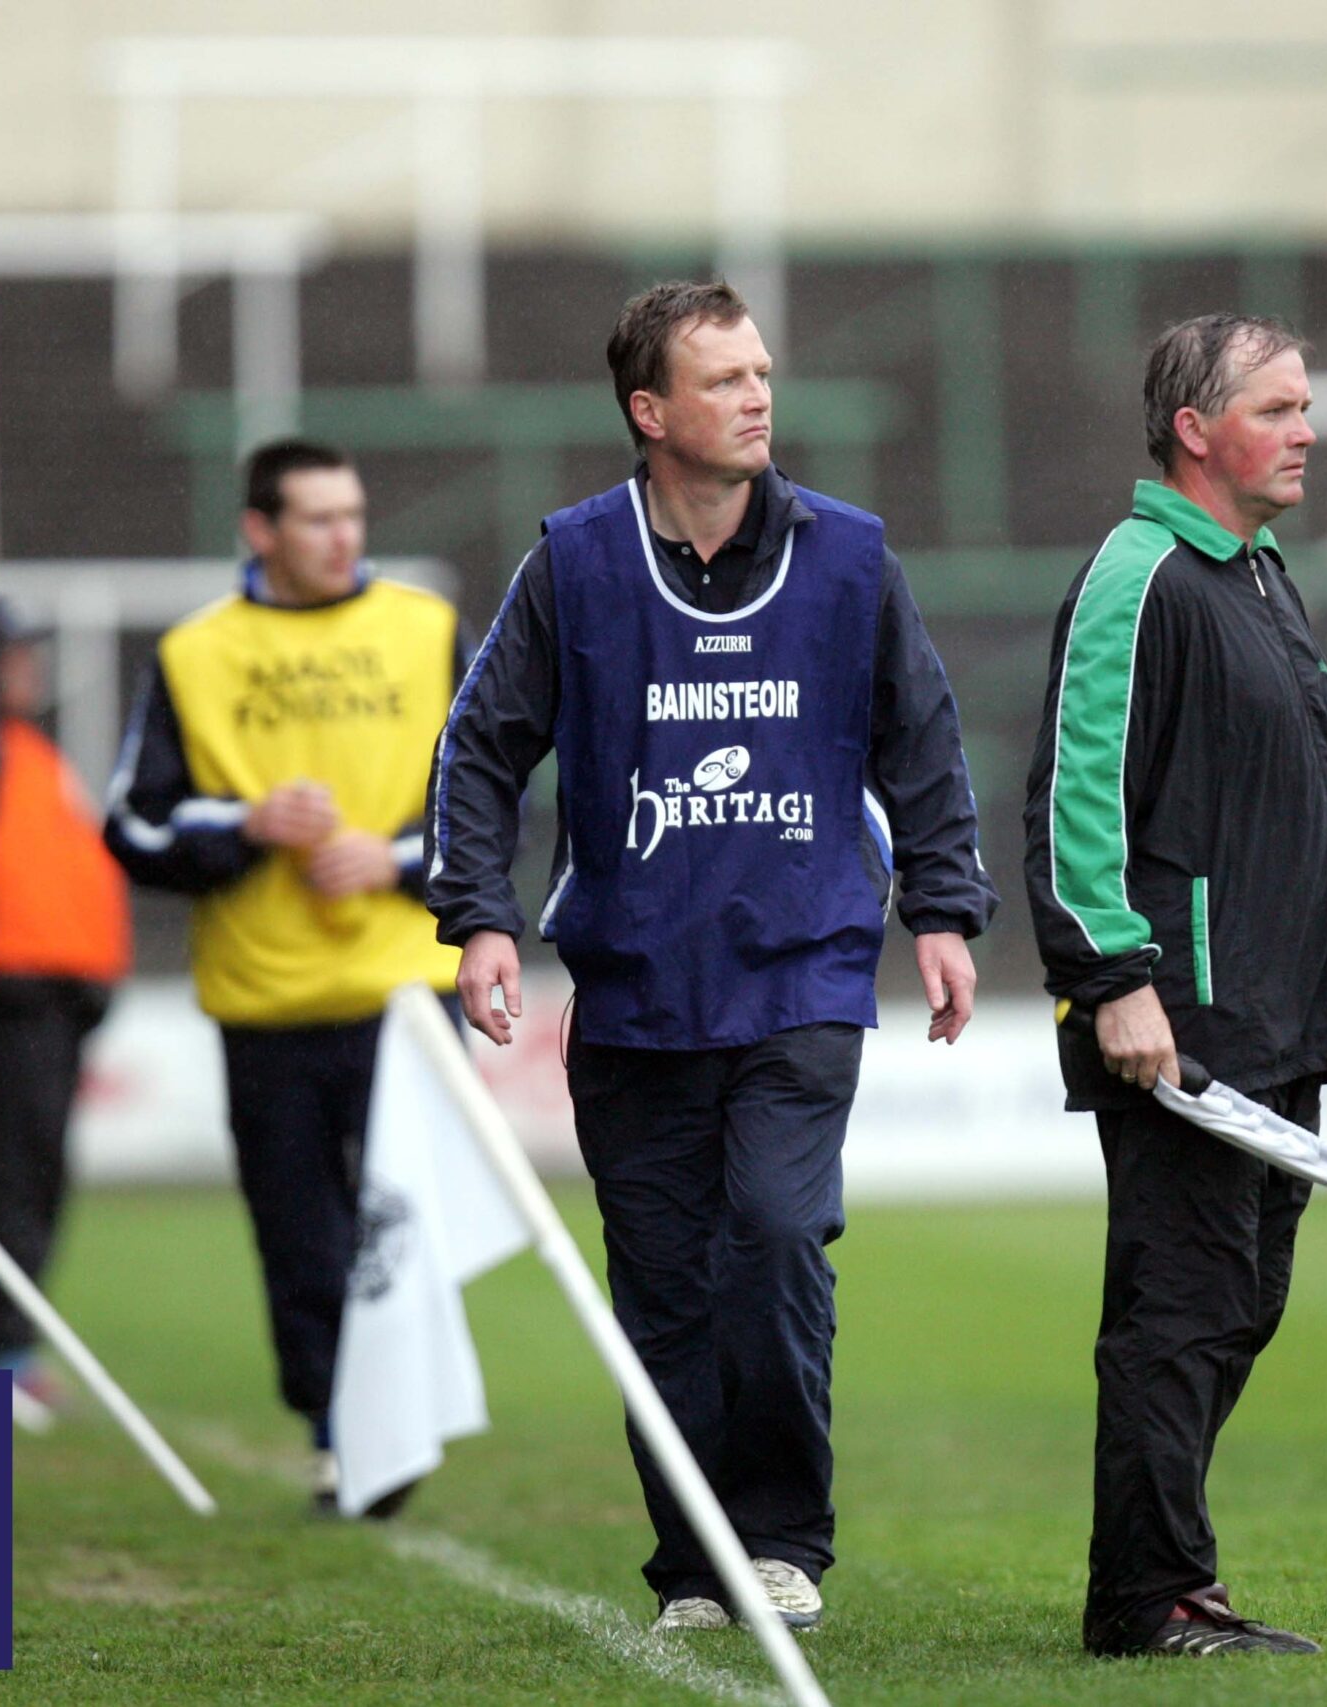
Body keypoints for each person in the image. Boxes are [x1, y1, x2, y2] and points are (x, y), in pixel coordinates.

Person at [427, 280, 997, 1632]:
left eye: (763, 373)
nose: (758, 397)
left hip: (802, 973)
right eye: (725, 378)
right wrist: (483, 913)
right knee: (667, 1289)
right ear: (650, 410)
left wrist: (943, 905)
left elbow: (922, 734)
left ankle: (784, 1537)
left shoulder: (850, 557)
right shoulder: (573, 560)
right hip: (631, 989)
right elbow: (480, 745)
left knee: (781, 1234)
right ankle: (694, 1561)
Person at [1022, 313, 1327, 1659]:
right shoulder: (1140, 574)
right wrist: (1114, 977)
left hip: (1279, 1016)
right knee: (1181, 1306)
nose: (1306, 429)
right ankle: (1152, 1593)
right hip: (1183, 1021)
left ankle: (1155, 1575)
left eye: (1304, 405)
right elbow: (1072, 796)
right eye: (1279, 407)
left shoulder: (1260, 572)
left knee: (1240, 1299)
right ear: (1195, 429)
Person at [106, 439, 460, 1514]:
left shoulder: (426, 628)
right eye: (316, 518)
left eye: (352, 514)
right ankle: (332, 1425)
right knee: (297, 1233)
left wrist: (397, 857)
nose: (343, 536)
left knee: (400, 1225)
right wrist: (246, 824)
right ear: (259, 529)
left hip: (404, 990)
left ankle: (394, 1426)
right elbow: (129, 823)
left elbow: (501, 801)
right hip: (263, 997)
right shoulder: (195, 653)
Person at [0, 597, 130, 1382]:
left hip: (54, 993)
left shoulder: (24, 750)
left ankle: (1, 1333)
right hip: (8, 989)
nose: (32, 666)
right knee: (15, 1170)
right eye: (14, 652)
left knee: (33, 1167)